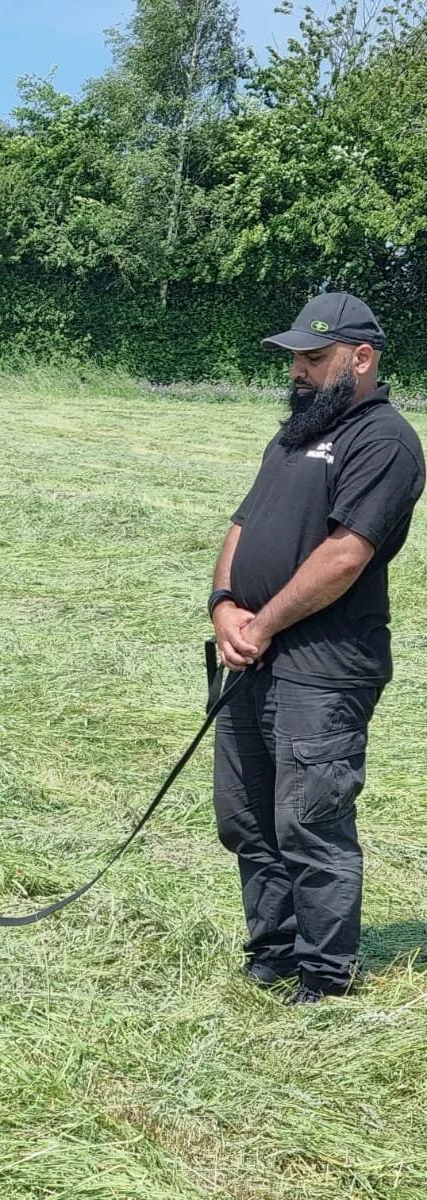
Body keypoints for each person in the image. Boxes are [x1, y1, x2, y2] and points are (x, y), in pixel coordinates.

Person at [210, 292, 422, 1004]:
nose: (298, 370)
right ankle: (271, 955)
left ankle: (325, 978)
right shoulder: (295, 432)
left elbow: (345, 555)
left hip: (324, 670)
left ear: (361, 358)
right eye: (295, 356)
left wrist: (261, 624)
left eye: (314, 356)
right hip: (251, 654)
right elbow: (242, 525)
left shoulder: (385, 441)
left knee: (309, 821)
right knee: (245, 816)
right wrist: (224, 608)